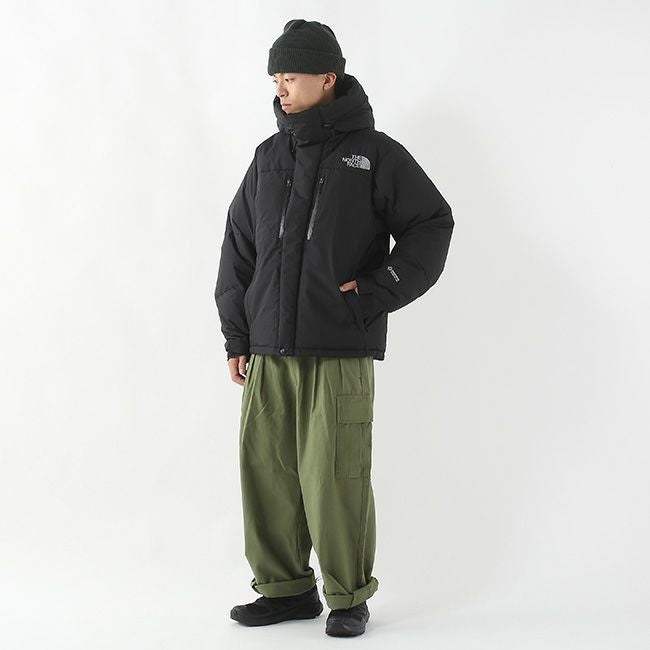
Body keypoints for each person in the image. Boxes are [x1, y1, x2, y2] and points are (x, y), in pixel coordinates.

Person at [214, 18, 454, 637]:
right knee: (266, 473)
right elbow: (238, 249)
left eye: (290, 77)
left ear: (327, 78)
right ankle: (285, 590)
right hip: (268, 348)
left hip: (339, 346)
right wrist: (237, 335)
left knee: (336, 476)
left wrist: (376, 292)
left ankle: (348, 596)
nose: (279, 89)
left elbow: (432, 223)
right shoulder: (268, 158)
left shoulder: (373, 155)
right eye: (274, 78)